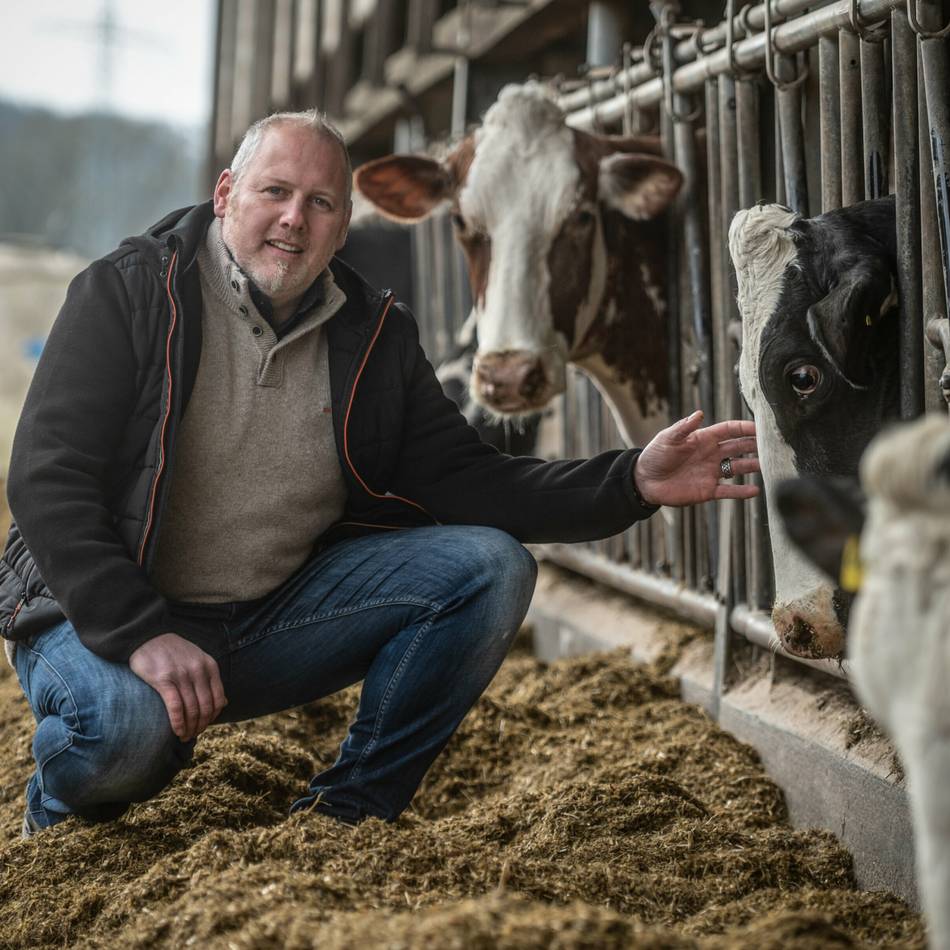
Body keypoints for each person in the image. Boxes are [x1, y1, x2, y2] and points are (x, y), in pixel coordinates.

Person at [1, 110, 760, 837]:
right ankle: (59, 807)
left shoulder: (372, 336)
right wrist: (141, 633)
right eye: (275, 191)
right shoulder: (130, 291)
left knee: (489, 567)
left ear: (345, 225)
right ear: (226, 193)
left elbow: (472, 481)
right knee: (126, 729)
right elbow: (46, 477)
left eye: (321, 202)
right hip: (96, 615)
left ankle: (346, 815)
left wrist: (632, 480)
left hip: (263, 622)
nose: (294, 219)